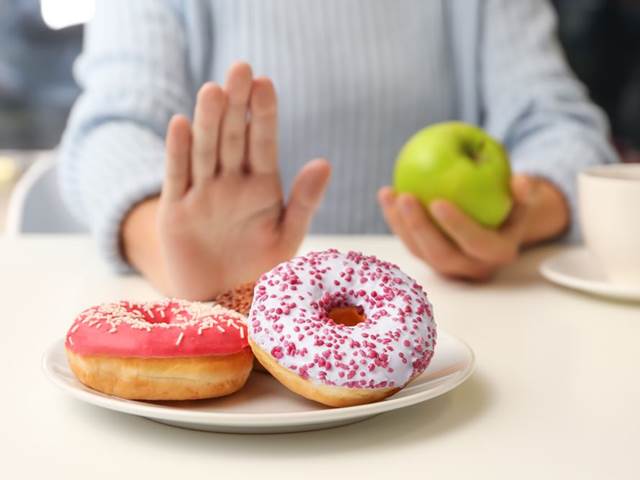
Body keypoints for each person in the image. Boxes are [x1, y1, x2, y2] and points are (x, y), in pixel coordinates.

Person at [59, 0, 617, 300]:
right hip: (226, 321)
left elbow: (560, 124)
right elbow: (110, 130)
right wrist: (173, 251)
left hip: (460, 321)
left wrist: (519, 218)